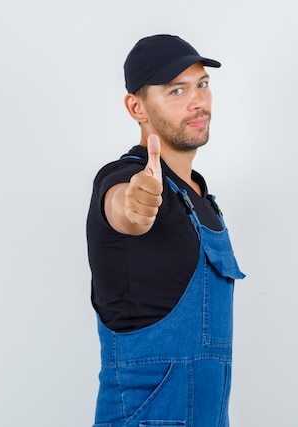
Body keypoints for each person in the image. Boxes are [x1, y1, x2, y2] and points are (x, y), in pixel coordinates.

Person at [86, 34, 245, 427]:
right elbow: (125, 208)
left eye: (202, 85)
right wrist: (134, 205)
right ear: (136, 107)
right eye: (176, 90)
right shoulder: (125, 178)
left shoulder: (201, 198)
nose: (197, 101)